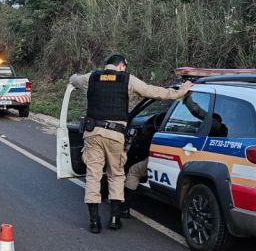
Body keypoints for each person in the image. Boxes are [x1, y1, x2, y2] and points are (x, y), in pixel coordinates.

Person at [70, 54, 193, 233]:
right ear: (121, 66)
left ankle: (94, 221)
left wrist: (72, 79)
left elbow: (74, 79)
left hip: (93, 133)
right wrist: (180, 92)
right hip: (115, 135)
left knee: (93, 176)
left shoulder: (92, 77)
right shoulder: (128, 80)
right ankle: (114, 218)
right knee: (116, 175)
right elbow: (154, 92)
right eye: (124, 68)